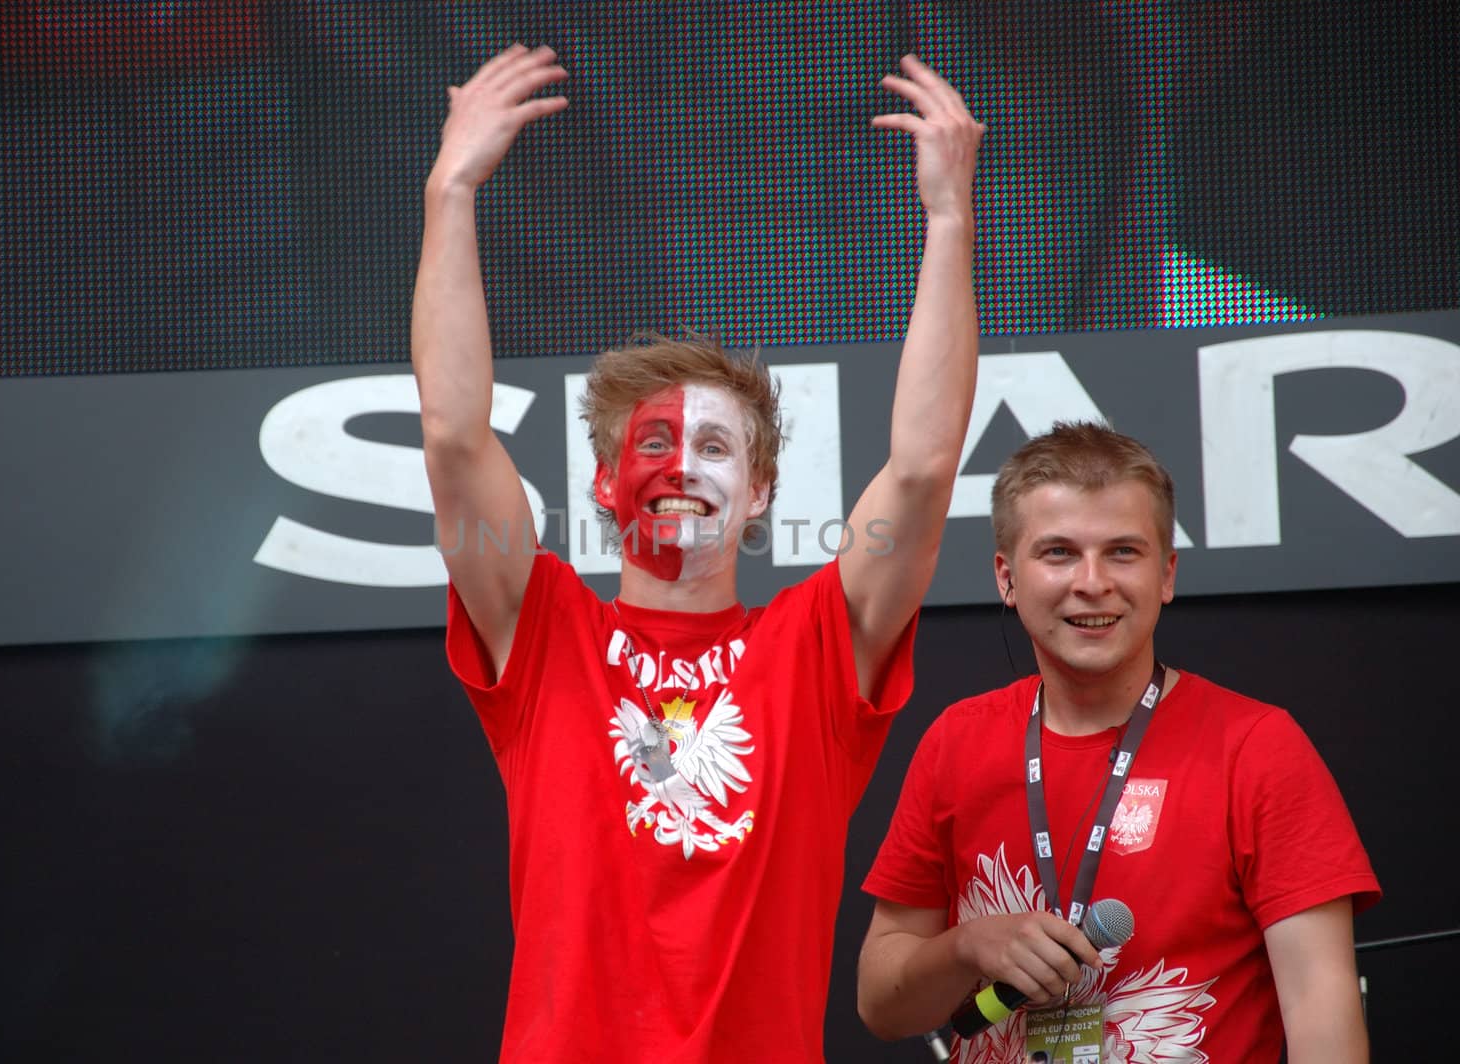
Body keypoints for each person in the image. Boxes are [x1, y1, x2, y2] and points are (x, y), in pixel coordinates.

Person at [411, 43, 982, 1062]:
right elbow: (457, 435)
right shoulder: (541, 627)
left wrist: (947, 221)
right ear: (600, 482)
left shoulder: (815, 647)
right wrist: (450, 189)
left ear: (760, 491)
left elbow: (925, 465)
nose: (681, 466)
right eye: (654, 442)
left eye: (715, 445)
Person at [857, 421, 1381, 1062]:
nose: (1092, 581)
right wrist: (967, 946)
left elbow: (1323, 1021)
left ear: (1167, 574)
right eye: (1057, 553)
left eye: (1123, 552)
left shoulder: (1257, 747)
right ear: (1006, 577)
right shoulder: (955, 742)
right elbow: (881, 1006)